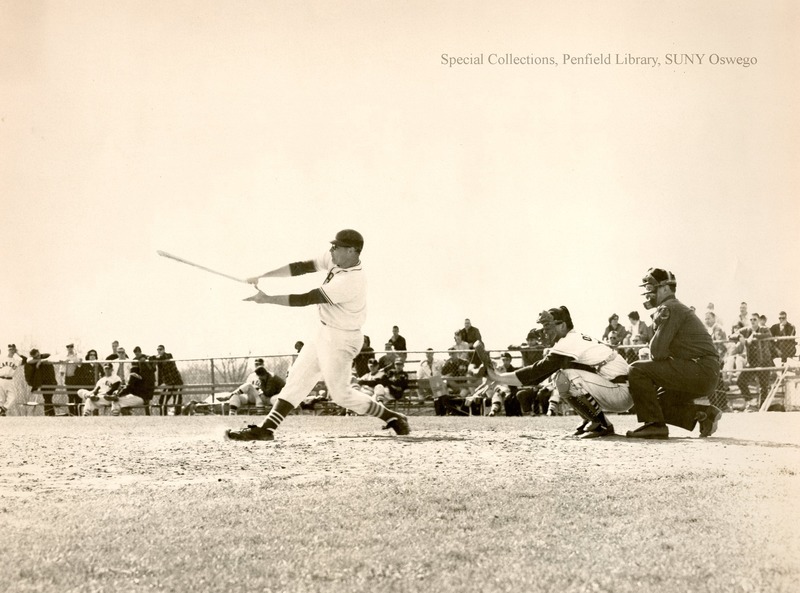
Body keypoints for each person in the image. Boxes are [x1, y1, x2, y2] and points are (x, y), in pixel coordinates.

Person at [225, 229, 410, 441]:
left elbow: (307, 298)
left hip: (342, 338)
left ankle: (393, 417)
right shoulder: (336, 259)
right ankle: (267, 428)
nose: (332, 249)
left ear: (351, 251)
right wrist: (264, 275)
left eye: (337, 246)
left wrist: (267, 299)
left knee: (341, 394)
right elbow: (301, 267)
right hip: (324, 330)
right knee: (297, 378)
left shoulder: (352, 281)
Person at [485, 307, 632, 438]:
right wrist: (499, 378)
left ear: (562, 325)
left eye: (548, 326)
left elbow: (536, 372)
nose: (545, 331)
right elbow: (539, 376)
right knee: (562, 376)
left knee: (566, 376)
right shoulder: (574, 338)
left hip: (620, 391)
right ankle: (591, 419)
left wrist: (498, 377)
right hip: (615, 388)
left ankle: (601, 424)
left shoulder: (568, 342)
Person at [626, 268, 722, 439]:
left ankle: (655, 426)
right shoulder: (673, 307)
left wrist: (656, 328)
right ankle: (704, 414)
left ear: (665, 288)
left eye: (651, 288)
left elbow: (657, 353)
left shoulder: (669, 308)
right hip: (704, 371)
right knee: (656, 403)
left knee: (636, 369)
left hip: (700, 369)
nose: (648, 294)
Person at [207, 366, 286, 415]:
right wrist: (258, 389)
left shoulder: (271, 378)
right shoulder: (263, 377)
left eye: (260, 377)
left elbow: (269, 393)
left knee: (248, 385)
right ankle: (232, 415)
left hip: (270, 398)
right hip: (260, 398)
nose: (259, 379)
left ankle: (228, 396)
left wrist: (259, 388)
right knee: (236, 396)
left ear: (263, 375)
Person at [735, 313, 774, 410]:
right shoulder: (746, 329)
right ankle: (750, 401)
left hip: (764, 362)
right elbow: (732, 335)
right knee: (740, 381)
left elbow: (769, 335)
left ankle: (762, 408)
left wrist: (754, 335)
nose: (752, 321)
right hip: (752, 362)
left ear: (759, 320)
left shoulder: (764, 328)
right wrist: (740, 337)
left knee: (764, 386)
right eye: (751, 319)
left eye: (755, 320)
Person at [24, 349, 58, 416]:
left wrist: (41, 361)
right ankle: (50, 414)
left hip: (52, 382)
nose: (38, 357)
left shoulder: (45, 356)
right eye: (36, 357)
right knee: (47, 399)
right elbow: (28, 361)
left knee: (48, 398)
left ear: (39, 353)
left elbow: (52, 357)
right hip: (43, 383)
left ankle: (49, 414)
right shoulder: (34, 361)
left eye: (38, 355)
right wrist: (38, 361)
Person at [152, 345, 184, 415]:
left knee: (177, 401)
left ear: (164, 350)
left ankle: (177, 416)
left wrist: (156, 357)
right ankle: (163, 416)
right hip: (168, 383)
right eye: (158, 350)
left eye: (160, 349)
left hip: (177, 382)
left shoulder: (169, 356)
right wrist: (153, 358)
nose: (159, 351)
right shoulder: (158, 360)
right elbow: (153, 361)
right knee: (162, 401)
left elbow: (164, 358)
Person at [0, 344, 27, 416]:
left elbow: (25, 360)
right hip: (1, 379)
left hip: (10, 380)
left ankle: (3, 409)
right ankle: (1, 412)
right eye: (10, 349)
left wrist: (17, 352)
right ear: (8, 350)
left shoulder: (16, 361)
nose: (11, 351)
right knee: (1, 398)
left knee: (13, 396)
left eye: (13, 349)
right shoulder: (1, 358)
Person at [61, 343, 83, 416]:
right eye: (68, 346)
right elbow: (62, 370)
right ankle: (71, 414)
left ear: (73, 347)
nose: (70, 348)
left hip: (77, 378)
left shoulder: (77, 355)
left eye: (71, 346)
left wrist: (74, 361)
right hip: (68, 379)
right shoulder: (64, 356)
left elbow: (80, 363)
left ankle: (78, 413)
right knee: (70, 397)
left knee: (78, 398)